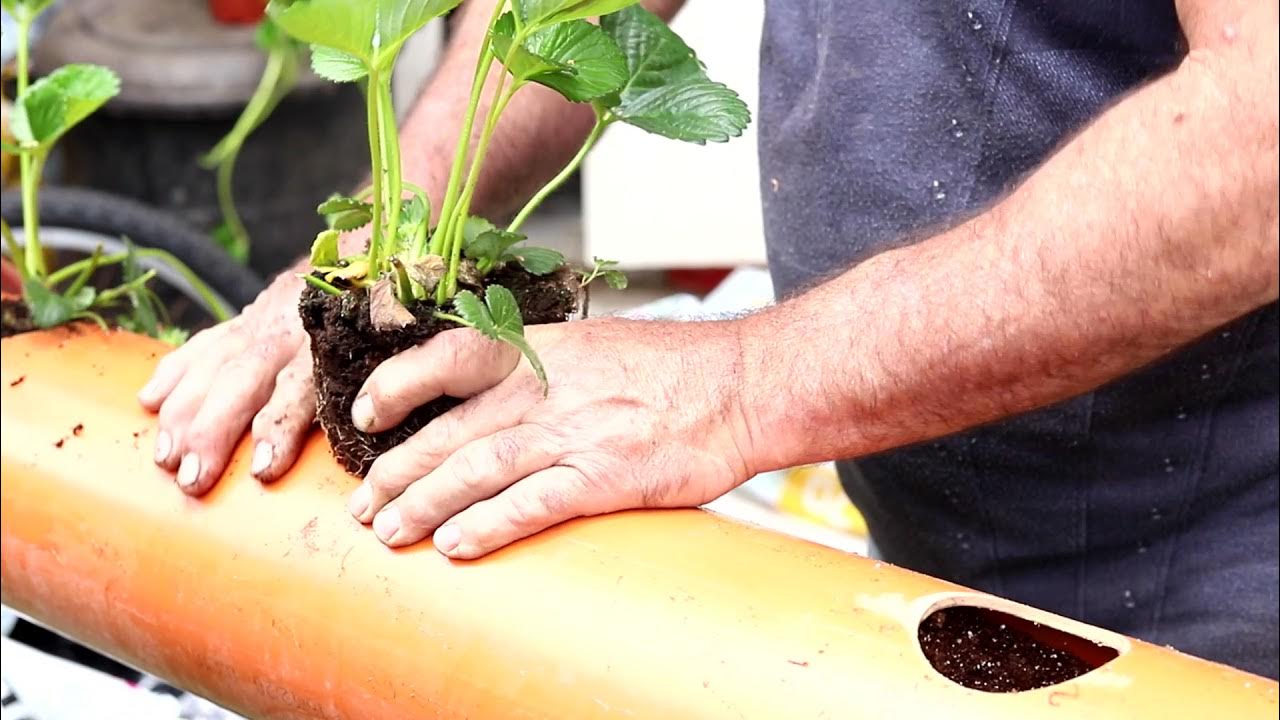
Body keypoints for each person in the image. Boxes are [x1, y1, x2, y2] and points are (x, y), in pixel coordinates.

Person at [136, 0, 1278, 678]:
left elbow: (1260, 133)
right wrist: (389, 246)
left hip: (1223, 580)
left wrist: (736, 385)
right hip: (941, 521)